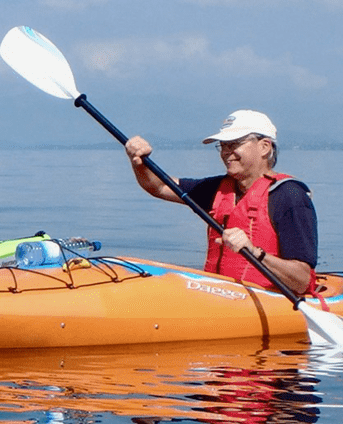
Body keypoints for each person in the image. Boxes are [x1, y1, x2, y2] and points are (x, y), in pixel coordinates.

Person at [124, 110, 317, 296]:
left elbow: (301, 280)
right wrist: (139, 161)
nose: (226, 152)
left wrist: (254, 252)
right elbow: (159, 187)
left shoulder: (290, 196)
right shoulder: (218, 188)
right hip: (220, 298)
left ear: (264, 147)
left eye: (234, 144)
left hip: (270, 301)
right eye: (223, 145)